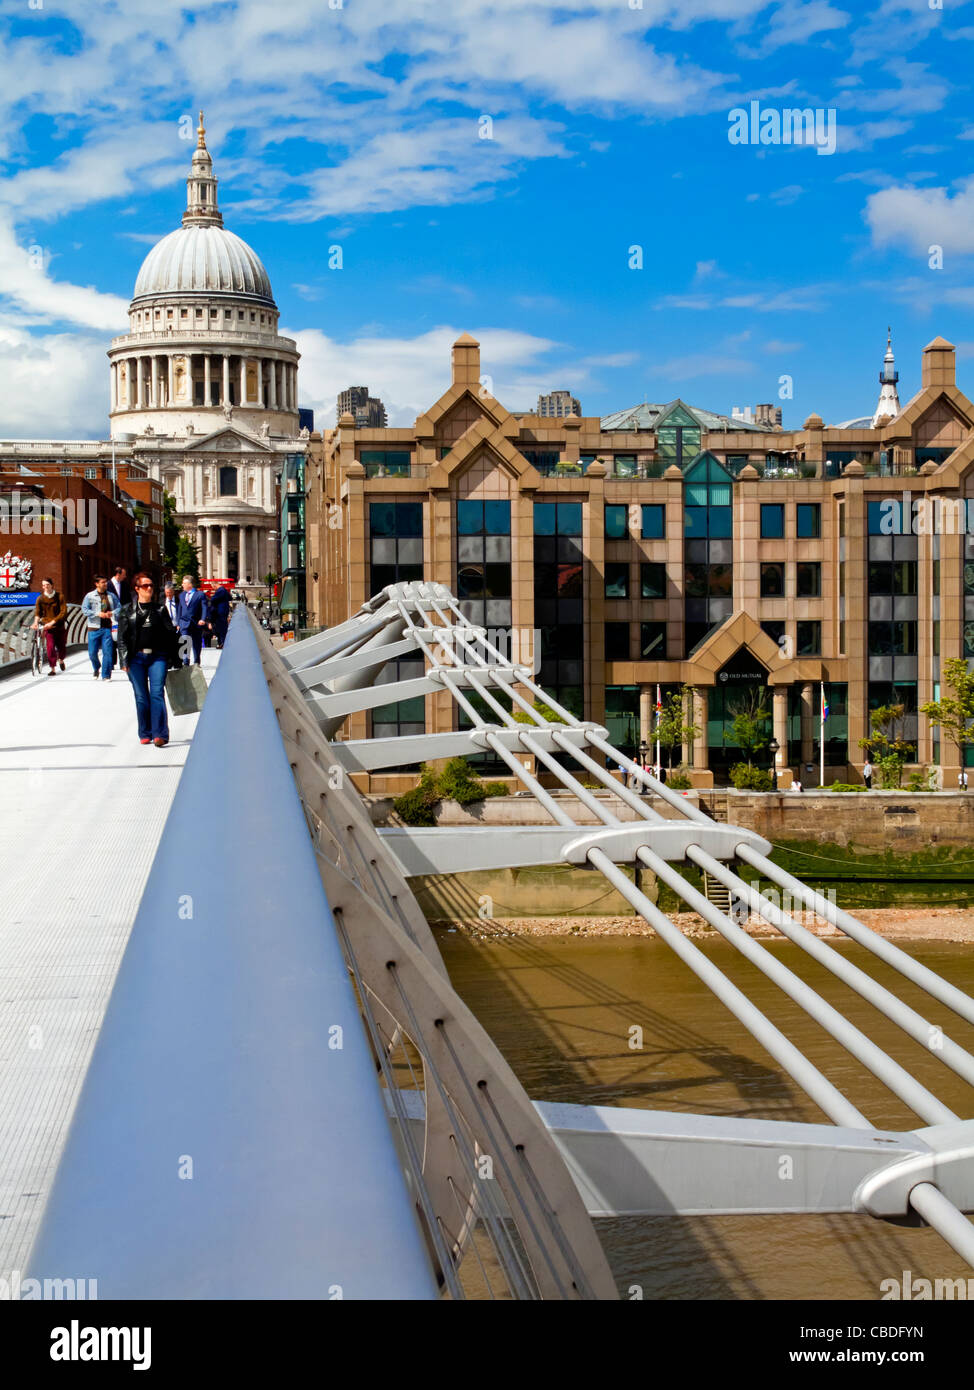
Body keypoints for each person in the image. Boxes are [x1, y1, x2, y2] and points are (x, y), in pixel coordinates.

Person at [117, 572, 180, 746]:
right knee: (141, 697)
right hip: (135, 658)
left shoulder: (160, 610)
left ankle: (160, 734)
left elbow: (170, 635)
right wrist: (123, 661)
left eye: (151, 585)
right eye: (146, 586)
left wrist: (176, 659)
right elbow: (122, 638)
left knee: (157, 694)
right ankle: (145, 732)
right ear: (137, 589)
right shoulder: (127, 611)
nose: (150, 588)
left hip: (157, 657)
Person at [81, 575, 119, 680]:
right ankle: (96, 667)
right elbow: (84, 609)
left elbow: (119, 608)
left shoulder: (111, 596)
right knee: (92, 653)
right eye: (103, 582)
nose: (105, 584)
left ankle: (106, 675)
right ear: (97, 584)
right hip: (93, 628)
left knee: (108, 652)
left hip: (107, 627)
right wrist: (98, 614)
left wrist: (112, 613)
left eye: (106, 582)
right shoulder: (89, 596)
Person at [32, 577, 68, 676]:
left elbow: (63, 612)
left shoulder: (60, 596)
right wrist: (35, 623)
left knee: (61, 647)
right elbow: (38, 613)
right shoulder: (40, 598)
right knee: (50, 647)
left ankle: (61, 659)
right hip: (47, 627)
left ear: (52, 585)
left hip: (59, 625)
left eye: (47, 584)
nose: (45, 587)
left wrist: (52, 622)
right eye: (43, 585)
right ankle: (53, 669)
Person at [176, 574, 208, 665]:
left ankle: (197, 662)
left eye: (183, 583)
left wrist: (203, 619)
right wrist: (178, 623)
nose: (182, 585)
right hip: (184, 623)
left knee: (196, 644)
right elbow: (180, 609)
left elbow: (204, 607)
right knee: (185, 642)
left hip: (196, 623)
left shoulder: (200, 594)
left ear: (190, 584)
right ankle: (185, 662)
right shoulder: (181, 595)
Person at [207, 580, 232, 648]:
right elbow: (230, 598)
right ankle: (222, 643)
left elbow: (213, 599)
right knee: (222, 627)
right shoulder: (224, 590)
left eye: (213, 587)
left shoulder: (220, 590)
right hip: (224, 611)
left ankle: (223, 643)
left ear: (215, 585)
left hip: (220, 612)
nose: (213, 589)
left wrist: (212, 598)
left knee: (222, 628)